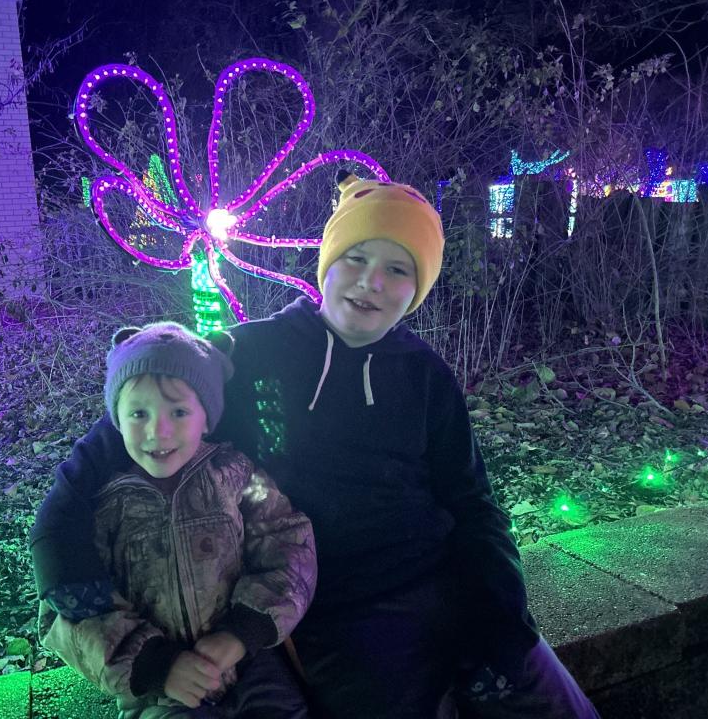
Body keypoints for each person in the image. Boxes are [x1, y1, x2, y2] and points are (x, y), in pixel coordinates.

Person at [32, 172, 599, 718]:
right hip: (337, 609)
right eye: (356, 257)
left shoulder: (424, 372)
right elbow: (121, 442)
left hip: (444, 580)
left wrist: (505, 612)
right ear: (327, 262)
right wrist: (65, 568)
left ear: (417, 288)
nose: (371, 282)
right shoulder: (246, 352)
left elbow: (472, 501)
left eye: (397, 269)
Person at [37, 322, 317, 719]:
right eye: (138, 413)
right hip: (160, 690)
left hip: (250, 665)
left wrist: (243, 632)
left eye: (179, 411)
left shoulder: (237, 477)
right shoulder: (103, 507)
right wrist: (155, 663)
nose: (158, 430)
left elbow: (287, 541)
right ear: (116, 419)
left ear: (208, 417)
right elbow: (72, 612)